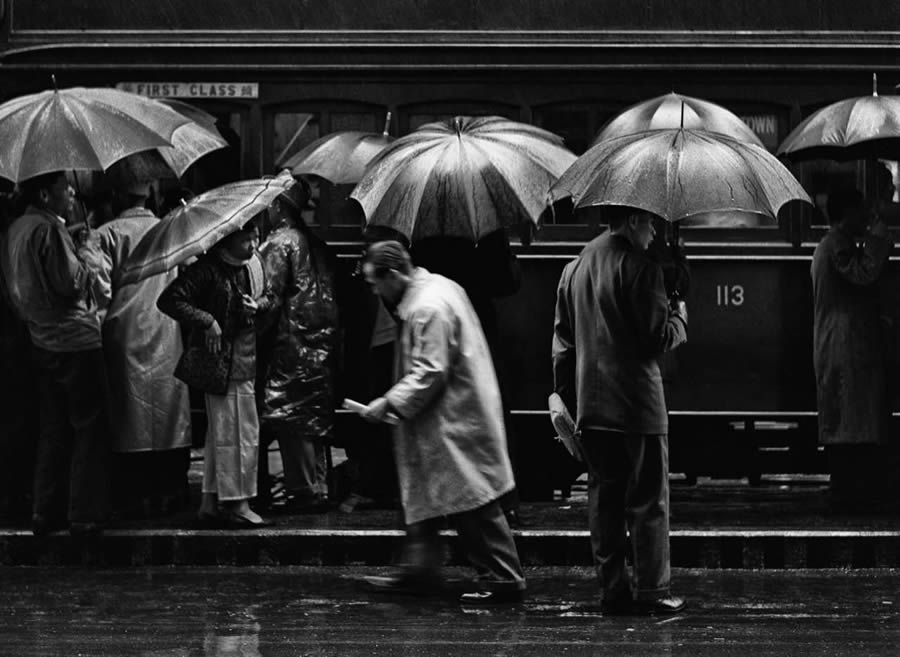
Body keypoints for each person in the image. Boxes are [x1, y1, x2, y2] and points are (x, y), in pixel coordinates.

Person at [359, 240, 526, 605]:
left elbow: (429, 371)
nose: (376, 291)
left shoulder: (426, 307)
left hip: (453, 419)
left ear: (393, 274)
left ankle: (503, 577)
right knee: (440, 497)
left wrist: (388, 402)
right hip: (454, 413)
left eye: (376, 283)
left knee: (472, 500)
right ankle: (421, 569)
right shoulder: (440, 288)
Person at [552, 206, 688, 615]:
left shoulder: (574, 268)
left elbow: (562, 345)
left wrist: (568, 398)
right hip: (638, 406)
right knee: (648, 498)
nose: (652, 234)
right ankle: (653, 589)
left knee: (604, 499)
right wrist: (679, 316)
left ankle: (612, 588)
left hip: (591, 407)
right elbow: (656, 338)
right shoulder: (642, 269)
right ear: (632, 222)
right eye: (650, 224)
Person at [0, 171, 110, 536]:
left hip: (40, 337)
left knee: (53, 427)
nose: (73, 191)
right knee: (89, 427)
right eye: (66, 187)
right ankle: (85, 513)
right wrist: (85, 254)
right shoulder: (48, 229)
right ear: (46, 195)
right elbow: (71, 284)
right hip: (75, 340)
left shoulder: (16, 229)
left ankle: (46, 511)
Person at [158, 220, 274, 527]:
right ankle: (236, 503)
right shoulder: (207, 269)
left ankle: (211, 500)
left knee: (226, 433)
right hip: (220, 362)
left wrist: (258, 305)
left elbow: (271, 296)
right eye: (247, 239)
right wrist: (207, 320)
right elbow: (170, 299)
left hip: (246, 358)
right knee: (235, 433)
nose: (253, 245)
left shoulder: (254, 265)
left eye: (256, 237)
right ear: (228, 242)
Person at [93, 180, 192, 518]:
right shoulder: (171, 230)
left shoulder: (105, 234)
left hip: (123, 333)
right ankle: (169, 491)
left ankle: (132, 495)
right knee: (168, 412)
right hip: (166, 329)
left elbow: (99, 290)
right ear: (150, 194)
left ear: (117, 195)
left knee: (128, 413)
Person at [256, 184, 339, 512]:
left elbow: (269, 297)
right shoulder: (317, 243)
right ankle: (316, 485)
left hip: (288, 345)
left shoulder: (278, 243)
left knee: (289, 419)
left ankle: (304, 491)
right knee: (310, 420)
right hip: (319, 345)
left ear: (277, 205)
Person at [811, 188, 893, 505]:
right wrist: (880, 236)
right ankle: (850, 491)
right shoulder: (836, 246)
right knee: (851, 420)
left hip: (843, 344)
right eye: (860, 211)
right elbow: (864, 273)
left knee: (848, 419)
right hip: (845, 346)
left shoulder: (830, 244)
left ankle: (850, 488)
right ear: (847, 214)